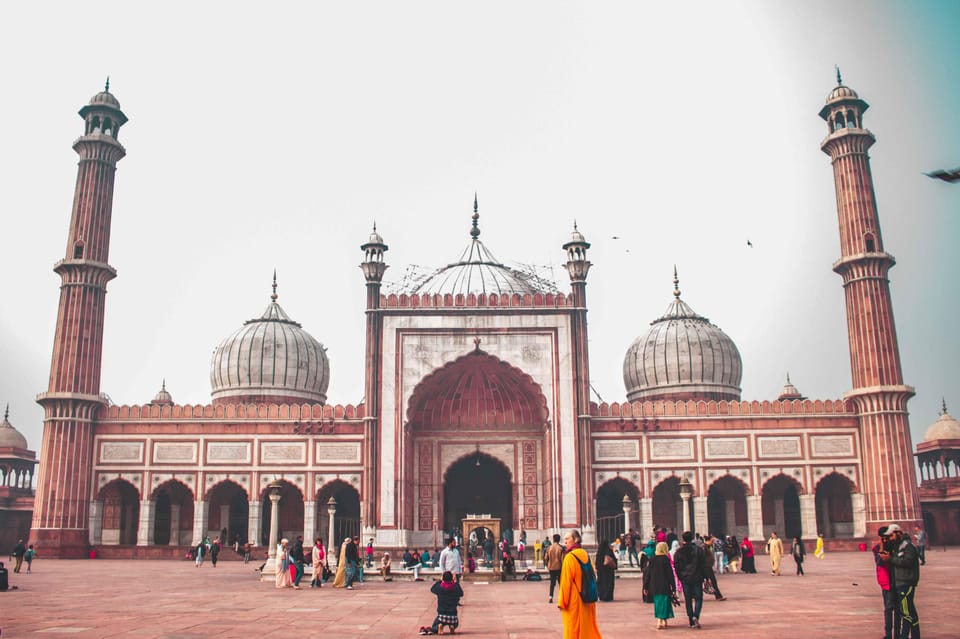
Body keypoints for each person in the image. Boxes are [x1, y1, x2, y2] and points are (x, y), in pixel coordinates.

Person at [556, 529, 603, 639]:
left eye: (567, 539)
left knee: (573, 629)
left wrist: (562, 602)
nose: (565, 542)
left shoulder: (570, 557)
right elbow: (593, 573)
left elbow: (565, 582)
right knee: (587, 628)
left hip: (575, 600)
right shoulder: (585, 554)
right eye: (564, 539)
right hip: (588, 597)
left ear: (575, 539)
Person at [880, 523, 921, 639]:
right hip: (900, 582)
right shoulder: (898, 546)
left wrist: (891, 559)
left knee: (906, 612)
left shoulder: (908, 546)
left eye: (891, 535)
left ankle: (904, 636)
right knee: (911, 612)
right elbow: (883, 558)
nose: (890, 538)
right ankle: (916, 636)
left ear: (898, 533)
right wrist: (883, 546)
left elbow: (907, 562)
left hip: (906, 582)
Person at [674, 531, 708, 629]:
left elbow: (676, 566)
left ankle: (691, 621)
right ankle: (695, 615)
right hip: (697, 577)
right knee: (698, 598)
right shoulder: (698, 550)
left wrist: (680, 576)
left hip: (685, 578)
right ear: (692, 538)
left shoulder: (679, 551)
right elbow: (703, 565)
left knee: (688, 599)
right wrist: (705, 577)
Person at [643, 542, 677, 630]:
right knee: (665, 602)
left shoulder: (652, 559)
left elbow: (648, 574)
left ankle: (661, 619)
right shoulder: (665, 559)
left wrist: (645, 586)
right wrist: (673, 586)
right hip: (664, 584)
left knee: (658, 602)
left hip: (655, 585)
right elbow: (670, 574)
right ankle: (662, 619)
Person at [418, 571, 464, 635]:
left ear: (443, 578)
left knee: (435, 626)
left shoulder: (440, 588)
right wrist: (456, 583)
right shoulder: (455, 588)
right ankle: (452, 626)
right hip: (453, 616)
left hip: (442, 615)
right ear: (452, 578)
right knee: (455, 623)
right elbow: (461, 593)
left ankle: (440, 625)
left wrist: (440, 580)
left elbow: (432, 589)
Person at [872, 527, 897, 639]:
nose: (886, 540)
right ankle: (888, 634)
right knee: (888, 608)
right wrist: (882, 547)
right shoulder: (877, 548)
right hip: (886, 581)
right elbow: (880, 561)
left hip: (896, 580)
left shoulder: (895, 546)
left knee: (897, 609)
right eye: (884, 538)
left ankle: (897, 633)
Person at [545, 532, 564, 604]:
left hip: (551, 568)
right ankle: (561, 597)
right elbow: (562, 559)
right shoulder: (561, 548)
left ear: (553, 539)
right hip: (559, 567)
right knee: (560, 583)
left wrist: (548, 565)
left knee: (552, 583)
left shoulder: (549, 548)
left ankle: (550, 597)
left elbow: (546, 558)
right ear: (559, 540)